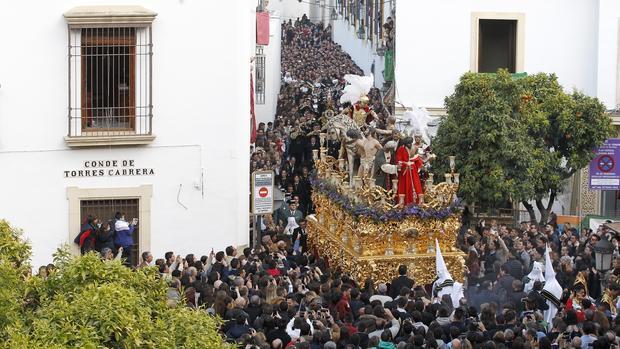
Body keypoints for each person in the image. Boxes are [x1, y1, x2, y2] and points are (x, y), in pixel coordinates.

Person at [395, 137, 423, 205]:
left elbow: (416, 157)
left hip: (413, 170)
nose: (410, 145)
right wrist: (406, 164)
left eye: (410, 143)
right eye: (408, 143)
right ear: (405, 143)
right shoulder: (401, 149)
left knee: (415, 184)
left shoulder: (414, 148)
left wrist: (419, 164)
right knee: (405, 185)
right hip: (405, 171)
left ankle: (417, 201)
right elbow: (398, 160)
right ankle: (404, 202)